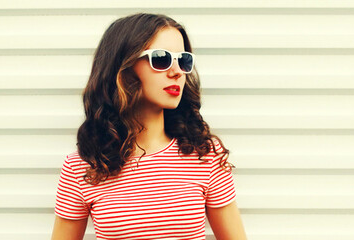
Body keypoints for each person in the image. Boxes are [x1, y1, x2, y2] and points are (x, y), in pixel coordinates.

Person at [51, 13, 246, 240]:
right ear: (123, 67)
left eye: (183, 60)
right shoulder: (83, 166)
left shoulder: (205, 155)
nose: (176, 72)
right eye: (161, 58)